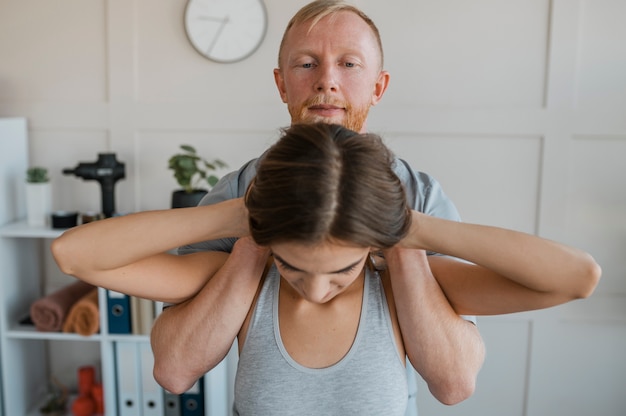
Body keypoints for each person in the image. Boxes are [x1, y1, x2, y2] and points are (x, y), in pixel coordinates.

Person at [51, 123, 601, 415]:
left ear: (372, 250)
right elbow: (76, 255)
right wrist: (239, 214)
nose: (316, 288)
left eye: (341, 271)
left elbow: (577, 277)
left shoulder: (402, 284)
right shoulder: (240, 276)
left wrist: (414, 229)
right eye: (293, 267)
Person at [151, 1, 486, 409]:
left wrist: (400, 245)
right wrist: (256, 237)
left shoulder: (423, 199)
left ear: (378, 87)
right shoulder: (234, 194)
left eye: (349, 64)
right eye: (307, 64)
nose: (327, 81)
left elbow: (453, 382)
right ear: (281, 84)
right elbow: (175, 369)